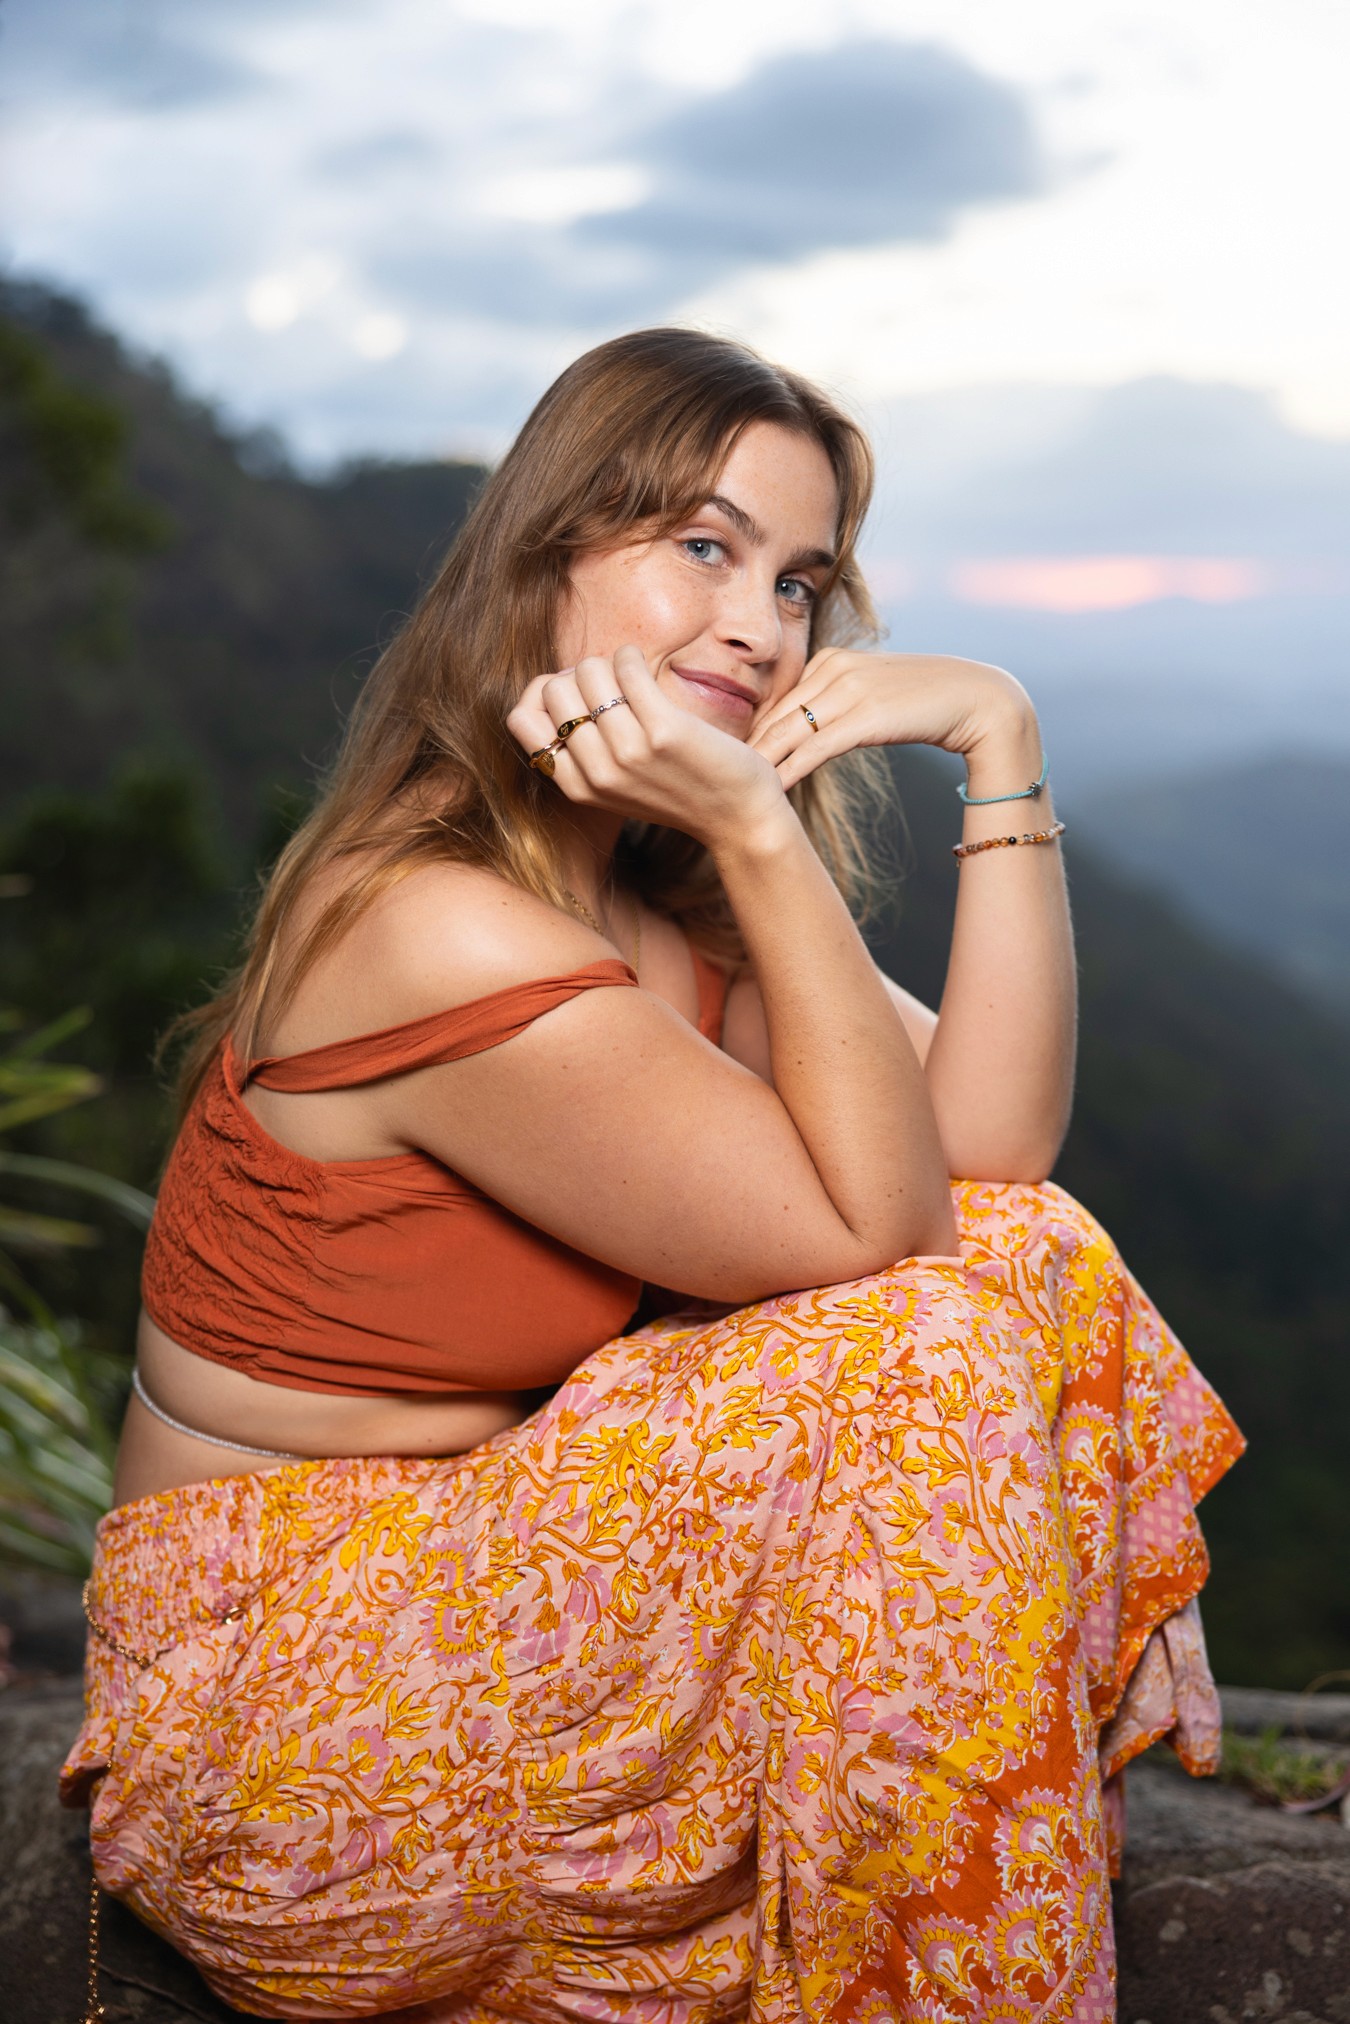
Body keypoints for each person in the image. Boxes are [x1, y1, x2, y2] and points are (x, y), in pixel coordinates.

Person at [62, 328, 1241, 2023]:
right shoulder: (435, 924)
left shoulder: (649, 904)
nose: (761, 625)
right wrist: (767, 832)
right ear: (544, 562)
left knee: (1026, 1252)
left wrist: (1000, 734)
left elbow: (988, 1156)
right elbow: (881, 1234)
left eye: (801, 578)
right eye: (701, 545)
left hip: (484, 1595)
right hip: (277, 1706)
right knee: (916, 1349)